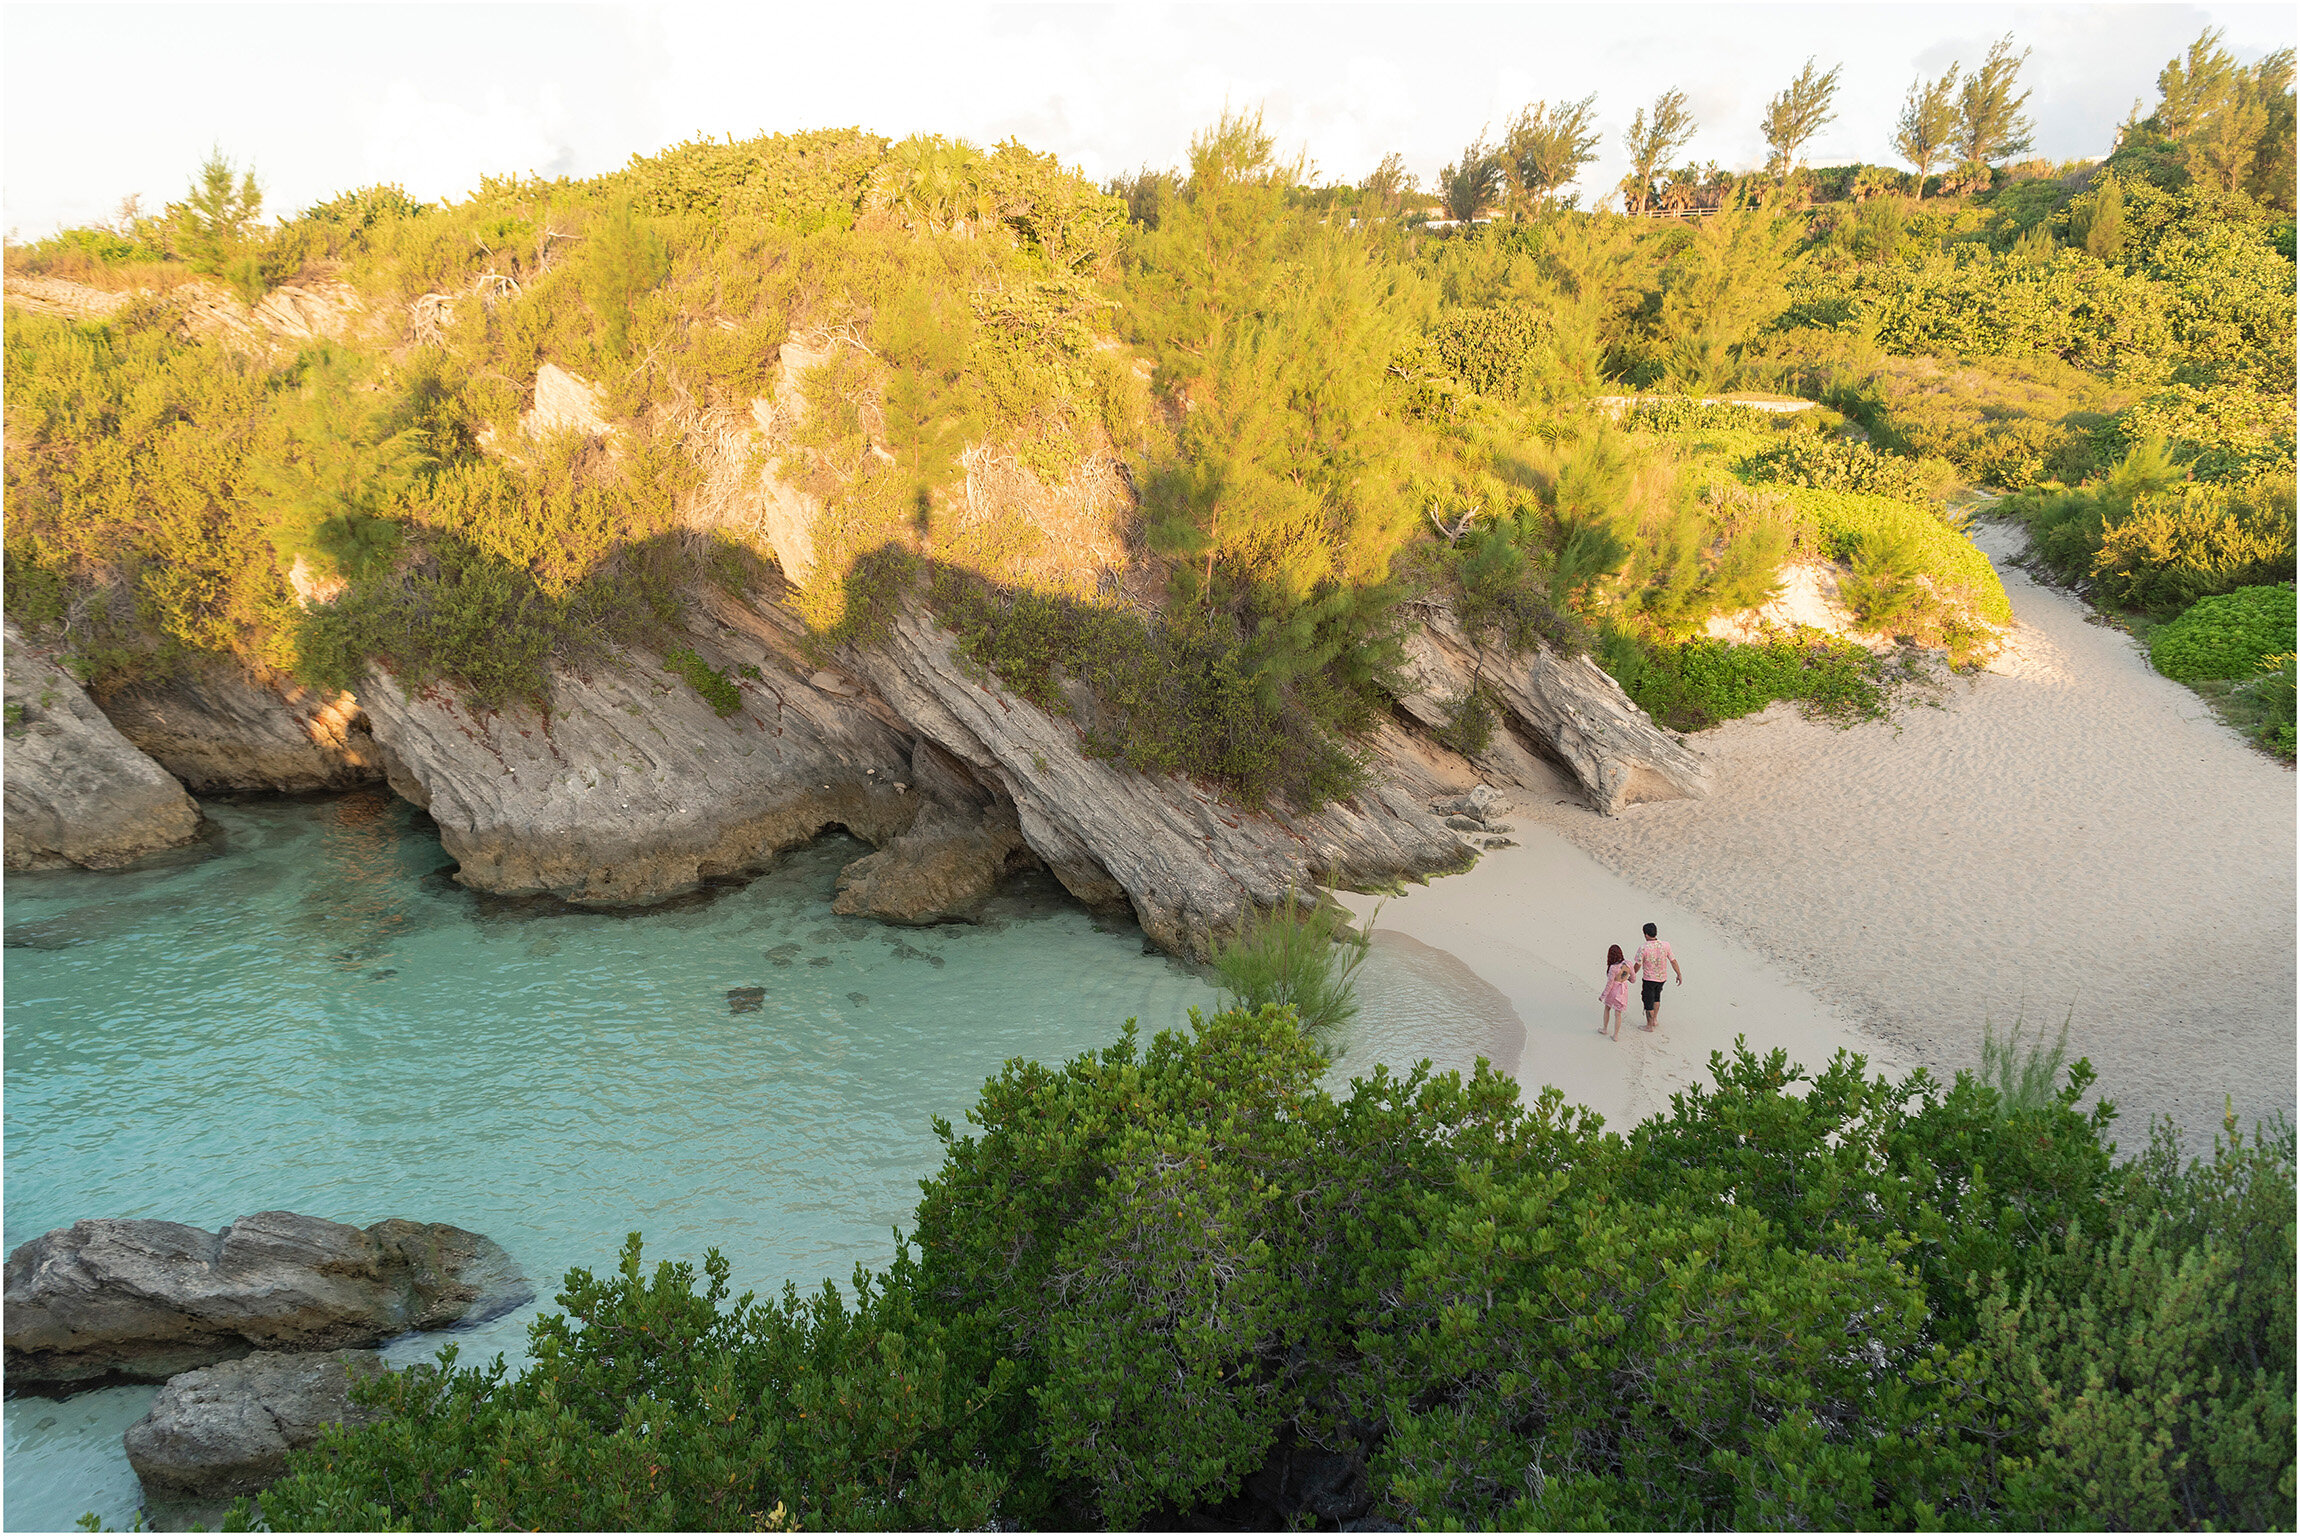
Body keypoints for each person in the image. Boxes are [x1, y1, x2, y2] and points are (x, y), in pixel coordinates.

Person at [1637, 921, 1682, 1031]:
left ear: (1646, 934)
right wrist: (1678, 974)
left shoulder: (1643, 948)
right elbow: (1673, 960)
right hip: (1662, 978)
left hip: (1649, 979)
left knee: (1648, 1002)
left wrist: (1631, 975)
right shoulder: (1665, 945)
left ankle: (1649, 1026)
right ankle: (1655, 1020)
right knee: (1656, 998)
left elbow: (1638, 964)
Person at [1598, 943, 1634, 1038]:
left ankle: (1605, 1028)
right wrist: (1627, 979)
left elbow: (1609, 984)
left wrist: (1603, 996)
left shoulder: (1613, 968)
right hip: (1623, 991)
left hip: (1614, 990)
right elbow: (1633, 979)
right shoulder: (1629, 964)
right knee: (1618, 1014)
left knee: (1607, 1008)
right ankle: (1616, 1035)